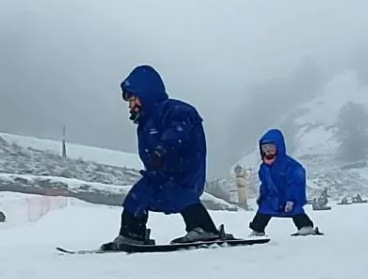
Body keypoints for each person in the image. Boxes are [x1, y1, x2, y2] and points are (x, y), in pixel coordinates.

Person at [101, 65, 226, 250]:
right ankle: (132, 234)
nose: (130, 105)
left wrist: (162, 150)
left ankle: (204, 229)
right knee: (137, 197)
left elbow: (178, 129)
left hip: (183, 171)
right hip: (160, 174)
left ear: (145, 94)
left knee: (180, 194)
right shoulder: (145, 123)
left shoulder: (175, 109)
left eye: (133, 99)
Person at [249, 128, 319, 236]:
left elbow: (295, 183)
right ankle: (257, 230)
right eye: (265, 148)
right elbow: (265, 184)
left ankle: (305, 227)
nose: (268, 151)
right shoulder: (264, 167)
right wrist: (262, 196)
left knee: (296, 211)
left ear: (279, 147)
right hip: (272, 198)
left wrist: (291, 199)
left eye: (271, 147)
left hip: (287, 197)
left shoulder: (290, 166)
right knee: (264, 209)